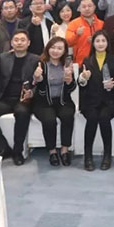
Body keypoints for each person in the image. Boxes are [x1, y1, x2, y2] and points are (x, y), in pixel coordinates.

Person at [0, 30, 39, 165]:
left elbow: (40, 82)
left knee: (22, 113)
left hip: (24, 99)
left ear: (28, 43)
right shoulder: (4, 58)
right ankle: (3, 148)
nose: (19, 43)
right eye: (16, 40)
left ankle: (18, 151)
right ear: (12, 43)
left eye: (22, 40)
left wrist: (32, 92)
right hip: (5, 98)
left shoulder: (35, 59)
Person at [77, 31, 114, 171]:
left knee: (104, 118)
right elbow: (80, 83)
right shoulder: (87, 61)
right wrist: (83, 78)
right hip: (90, 102)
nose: (100, 44)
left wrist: (113, 85)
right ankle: (88, 156)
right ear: (93, 43)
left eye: (103, 41)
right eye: (97, 41)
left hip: (109, 102)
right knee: (91, 118)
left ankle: (107, 156)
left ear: (107, 43)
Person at [31, 37, 76, 167]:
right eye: (53, 47)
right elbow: (37, 88)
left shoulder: (67, 64)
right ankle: (52, 151)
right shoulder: (41, 64)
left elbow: (72, 88)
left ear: (64, 51)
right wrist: (38, 78)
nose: (56, 51)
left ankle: (64, 149)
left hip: (63, 100)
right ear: (48, 48)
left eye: (59, 48)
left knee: (68, 116)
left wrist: (69, 80)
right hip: (43, 102)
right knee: (49, 120)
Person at [66, 0, 104, 65]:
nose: (87, 9)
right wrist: (77, 35)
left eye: (89, 6)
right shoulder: (73, 24)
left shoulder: (101, 24)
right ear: (79, 9)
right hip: (80, 61)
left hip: (100, 60)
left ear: (94, 7)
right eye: (84, 7)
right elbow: (68, 42)